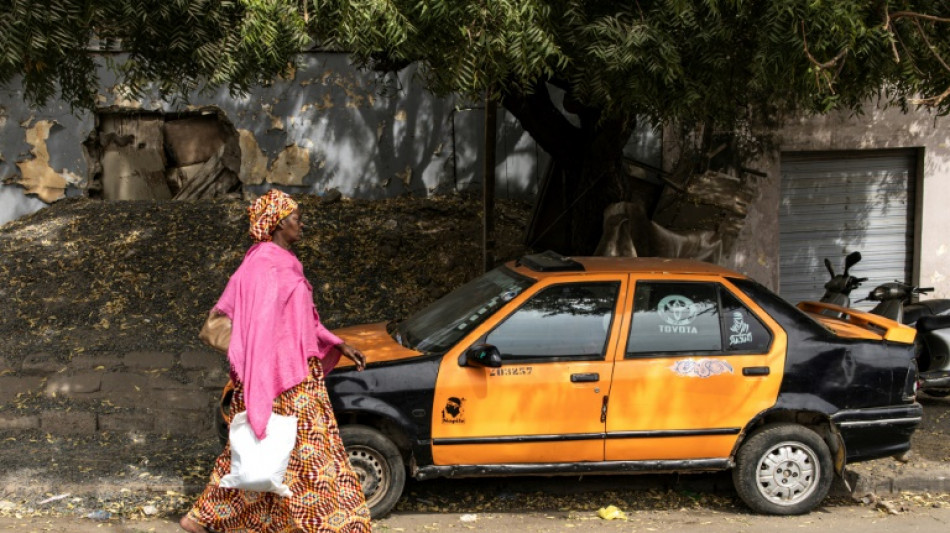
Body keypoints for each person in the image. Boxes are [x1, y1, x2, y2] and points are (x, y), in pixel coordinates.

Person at [180, 189, 371, 533]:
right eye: (296, 218)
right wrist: (263, 371)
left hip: (298, 370)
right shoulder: (263, 263)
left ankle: (266, 521)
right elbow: (259, 322)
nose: (301, 224)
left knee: (278, 452)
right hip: (275, 377)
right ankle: (336, 523)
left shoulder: (287, 262)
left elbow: (304, 321)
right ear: (279, 222)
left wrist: (337, 343)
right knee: (293, 449)